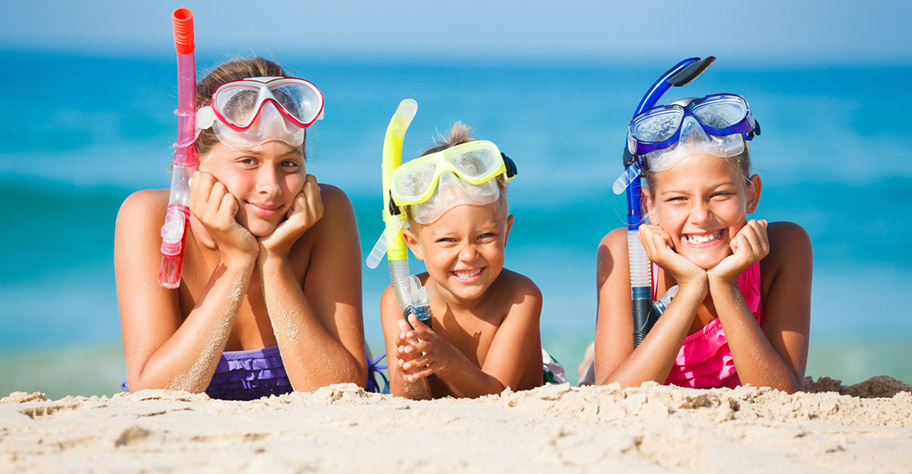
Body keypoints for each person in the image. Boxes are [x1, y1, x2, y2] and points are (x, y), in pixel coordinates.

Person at [115, 57, 367, 400]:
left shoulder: (328, 214)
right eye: (248, 161)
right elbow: (156, 395)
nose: (272, 187)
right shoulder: (148, 218)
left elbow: (342, 391)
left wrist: (274, 262)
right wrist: (235, 261)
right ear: (193, 164)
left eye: (288, 163)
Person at [592, 91, 812, 393]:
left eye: (720, 194)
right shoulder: (625, 254)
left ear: (751, 193)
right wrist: (691, 288)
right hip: (621, 368)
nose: (700, 216)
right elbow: (614, 398)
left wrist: (724, 286)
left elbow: (784, 396)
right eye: (678, 199)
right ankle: (591, 357)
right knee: (594, 366)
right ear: (649, 206)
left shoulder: (784, 249)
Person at [379, 123, 548, 399]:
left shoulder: (521, 297)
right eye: (448, 240)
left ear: (505, 232)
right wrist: (409, 367)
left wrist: (446, 360)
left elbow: (495, 395)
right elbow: (407, 401)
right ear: (414, 244)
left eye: (484, 236)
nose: (468, 255)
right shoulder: (398, 300)